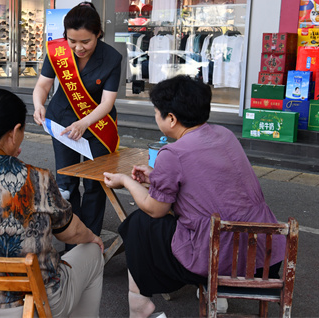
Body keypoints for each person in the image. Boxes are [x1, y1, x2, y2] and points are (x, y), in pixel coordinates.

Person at [103, 75, 286, 317]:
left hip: (218, 260)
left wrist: (125, 180)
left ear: (171, 118)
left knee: (140, 223)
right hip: (265, 256)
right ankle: (216, 297)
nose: (156, 117)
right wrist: (157, 177)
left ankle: (139, 303)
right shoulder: (225, 135)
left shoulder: (173, 153)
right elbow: (209, 183)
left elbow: (155, 208)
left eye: (156, 112)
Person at [0, 88, 104, 318]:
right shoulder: (37, 179)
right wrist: (93, 237)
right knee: (93, 252)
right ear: (14, 133)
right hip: (29, 307)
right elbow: (71, 233)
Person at [32, 1, 122, 242]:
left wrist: (84, 123)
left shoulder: (112, 58)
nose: (79, 47)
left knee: (94, 184)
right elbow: (43, 85)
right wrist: (39, 104)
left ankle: (92, 239)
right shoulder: (57, 52)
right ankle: (73, 238)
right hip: (62, 121)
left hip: (97, 125)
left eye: (86, 42)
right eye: (73, 41)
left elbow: (106, 103)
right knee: (66, 183)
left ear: (98, 34)